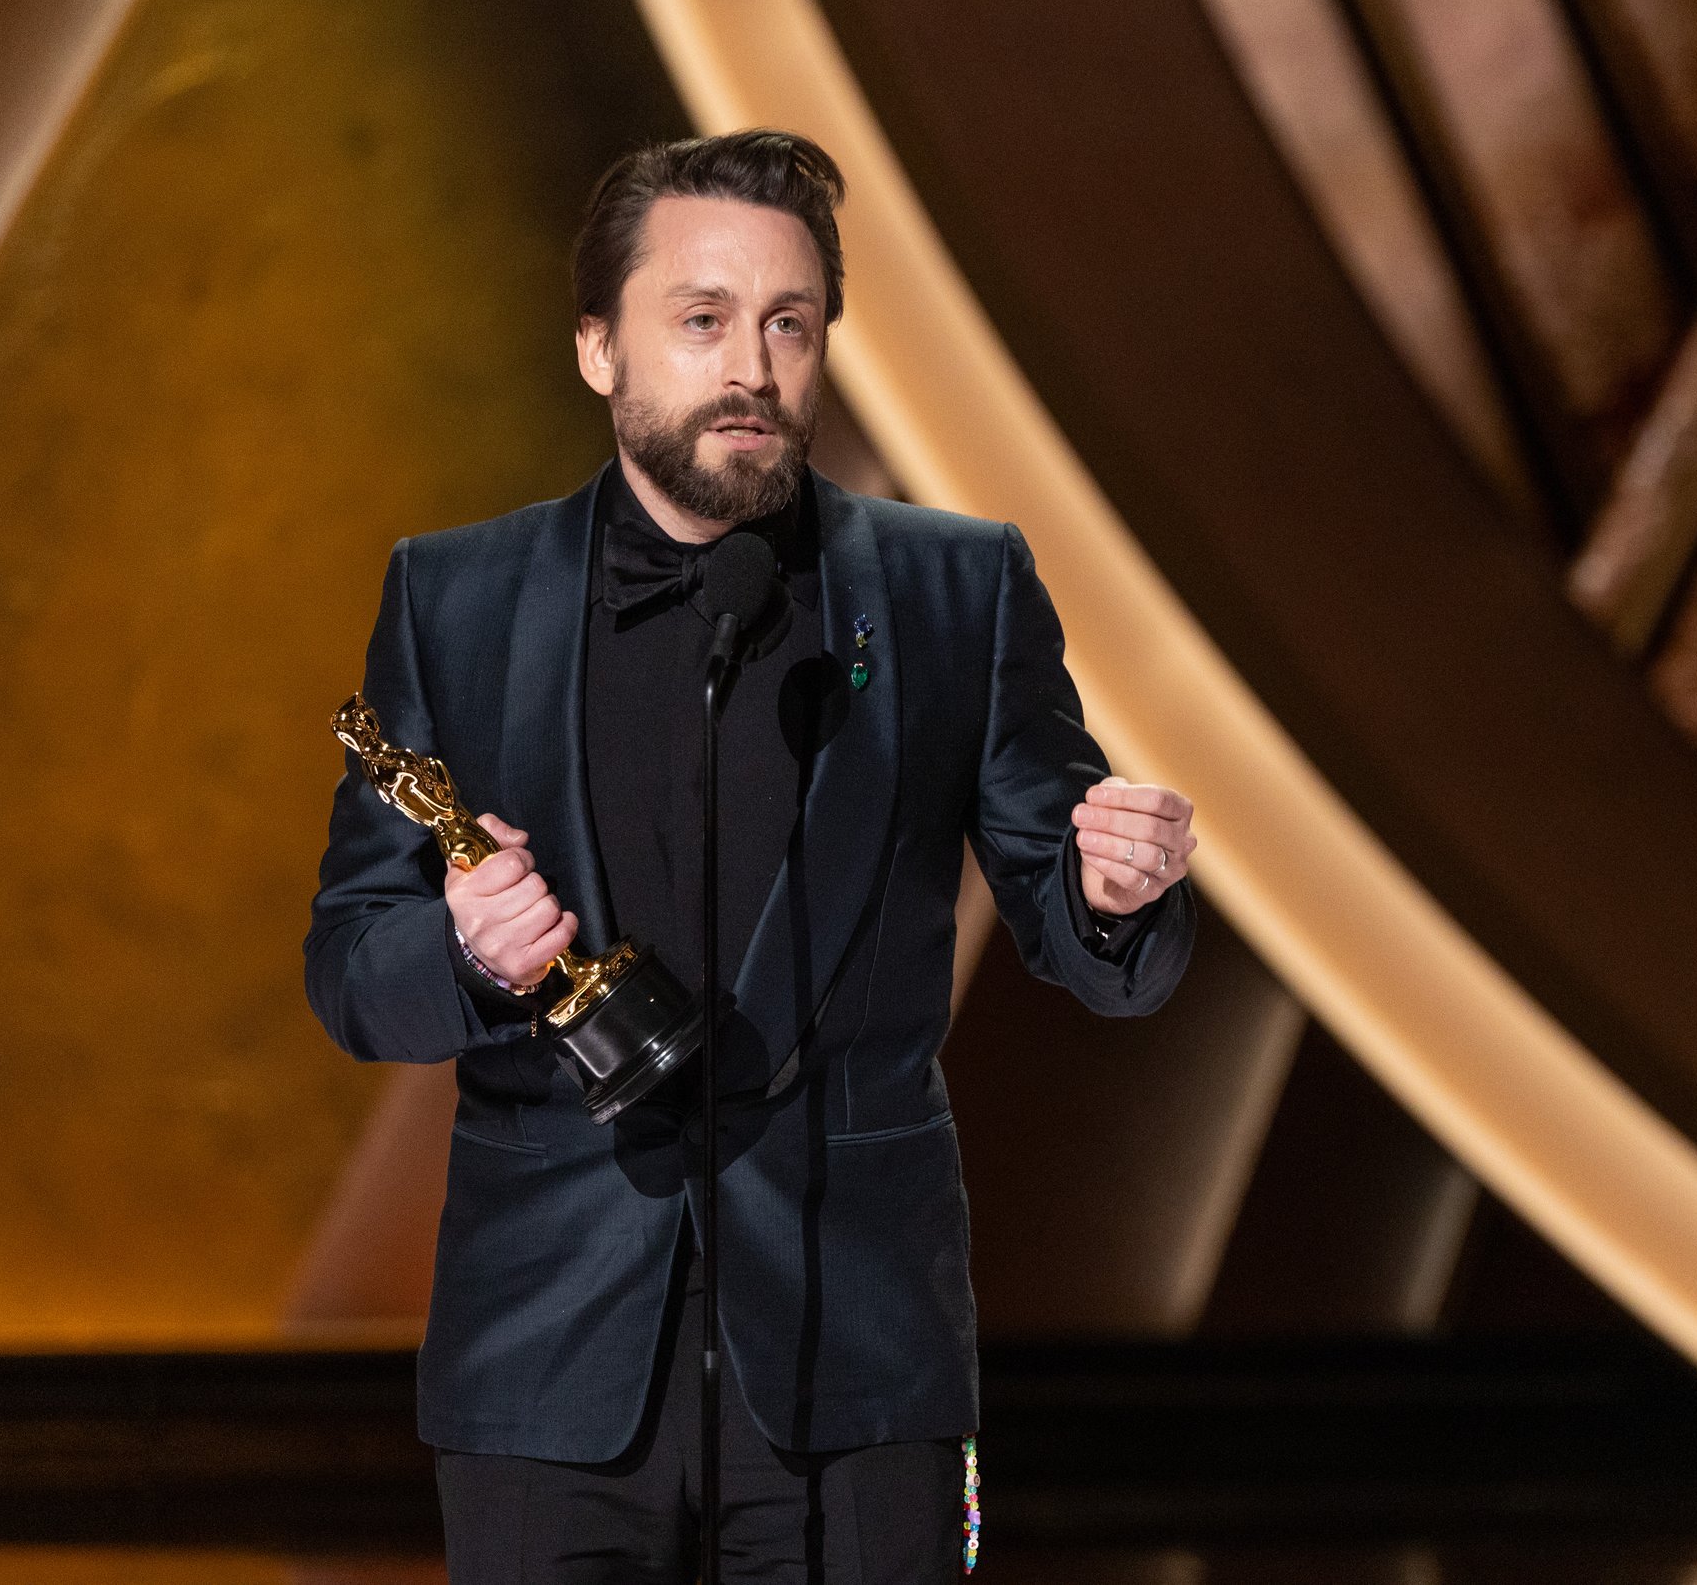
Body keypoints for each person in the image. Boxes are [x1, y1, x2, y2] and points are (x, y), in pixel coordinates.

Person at [304, 130, 1198, 1582]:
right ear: (598, 347)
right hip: (547, 1369)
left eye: (790, 324)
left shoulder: (956, 588)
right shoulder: (454, 598)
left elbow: (1095, 948)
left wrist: (1112, 895)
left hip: (859, 1367)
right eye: (704, 319)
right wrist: (463, 952)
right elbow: (350, 968)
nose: (754, 371)